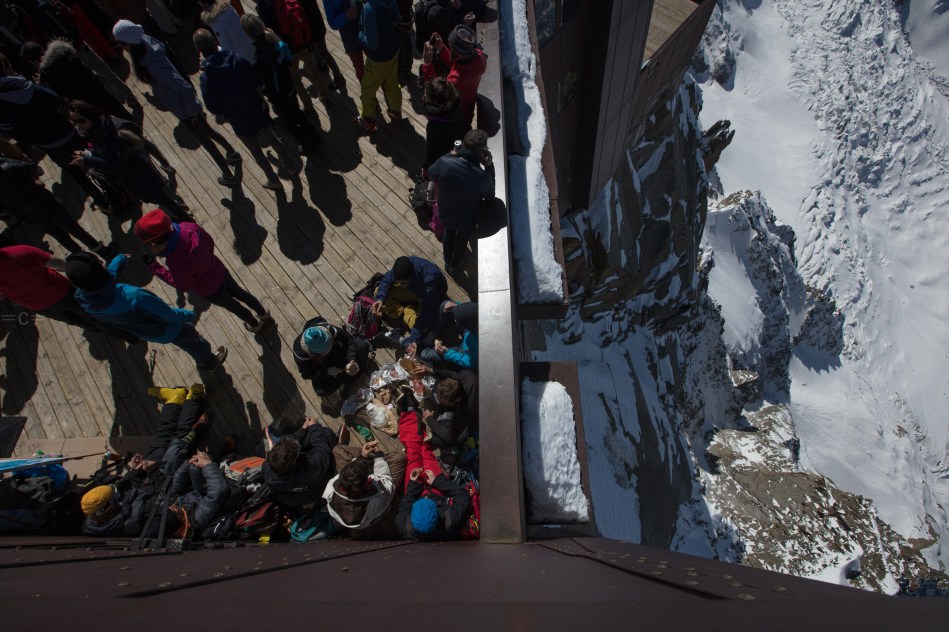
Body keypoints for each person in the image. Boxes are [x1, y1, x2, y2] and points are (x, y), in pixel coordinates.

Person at [111, 19, 241, 188]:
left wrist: (191, 113)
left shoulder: (153, 66)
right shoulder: (147, 43)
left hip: (186, 110)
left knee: (208, 145)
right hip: (188, 106)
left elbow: (184, 88)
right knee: (209, 132)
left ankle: (228, 175)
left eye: (121, 43)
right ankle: (232, 153)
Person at [65, 251, 228, 371]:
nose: (103, 264)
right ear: (100, 274)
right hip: (168, 327)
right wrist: (188, 315)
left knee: (185, 341)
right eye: (100, 264)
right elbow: (169, 315)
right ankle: (208, 363)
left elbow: (104, 283)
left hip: (148, 332)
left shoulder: (85, 299)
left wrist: (119, 260)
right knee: (193, 342)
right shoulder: (133, 297)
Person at [81, 384, 208, 537]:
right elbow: (164, 494)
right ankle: (193, 400)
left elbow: (128, 489)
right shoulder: (133, 523)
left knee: (161, 440)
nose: (116, 493)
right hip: (164, 483)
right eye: (113, 495)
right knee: (177, 445)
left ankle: (174, 400)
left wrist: (134, 471)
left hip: (147, 478)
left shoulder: (107, 509)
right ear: (106, 509)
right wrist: (152, 472)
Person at [133, 208, 274, 332]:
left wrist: (155, 266)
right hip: (219, 270)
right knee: (241, 293)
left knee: (235, 307)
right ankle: (263, 314)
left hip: (210, 289)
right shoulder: (188, 227)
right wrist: (206, 259)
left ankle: (255, 325)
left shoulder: (175, 260)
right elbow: (210, 242)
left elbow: (184, 285)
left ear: (154, 240)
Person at [0, 53, 109, 209]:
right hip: (67, 132)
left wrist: (34, 143)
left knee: (77, 174)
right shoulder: (26, 87)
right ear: (6, 68)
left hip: (48, 145)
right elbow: (57, 102)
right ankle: (117, 188)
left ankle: (102, 200)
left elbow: (14, 134)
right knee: (94, 158)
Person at [194, 27, 298, 191]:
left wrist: (224, 113)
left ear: (199, 50)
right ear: (215, 42)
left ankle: (273, 180)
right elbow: (254, 81)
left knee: (256, 151)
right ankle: (290, 165)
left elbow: (213, 106)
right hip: (256, 108)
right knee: (272, 139)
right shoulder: (237, 59)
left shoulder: (207, 78)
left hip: (238, 119)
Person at [67, 100, 192, 221]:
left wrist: (88, 161)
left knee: (159, 198)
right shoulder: (96, 132)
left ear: (92, 116)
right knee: (157, 198)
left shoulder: (112, 135)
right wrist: (89, 154)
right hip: (131, 179)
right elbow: (100, 151)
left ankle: (184, 216)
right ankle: (177, 208)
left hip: (140, 176)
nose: (78, 126)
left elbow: (116, 165)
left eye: (81, 121)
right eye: (74, 121)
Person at [0, 245, 135, 341]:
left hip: (37, 306)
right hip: (61, 292)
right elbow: (62, 265)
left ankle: (98, 329)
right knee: (93, 314)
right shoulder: (20, 252)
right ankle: (124, 334)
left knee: (74, 320)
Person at [0, 155, 117, 257]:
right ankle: (102, 251)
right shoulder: (10, 167)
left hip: (28, 216)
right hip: (45, 203)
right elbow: (38, 170)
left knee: (60, 237)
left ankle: (84, 258)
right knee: (74, 229)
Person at [393, 388, 470, 540]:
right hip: (437, 490)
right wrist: (437, 481)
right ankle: (414, 416)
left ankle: (410, 411)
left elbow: (405, 506)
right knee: (426, 455)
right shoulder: (449, 521)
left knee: (413, 455)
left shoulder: (404, 525)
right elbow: (462, 495)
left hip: (415, 493)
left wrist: (414, 485)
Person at [241, 14, 321, 155]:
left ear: (248, 33)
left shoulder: (260, 54)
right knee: (297, 112)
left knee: (290, 124)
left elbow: (269, 83)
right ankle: (314, 136)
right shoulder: (273, 38)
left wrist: (261, 91)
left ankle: (307, 145)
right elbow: (288, 59)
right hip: (289, 85)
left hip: (280, 96)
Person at [426, 128, 494, 274]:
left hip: (445, 212)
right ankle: (454, 265)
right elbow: (489, 195)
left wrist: (450, 154)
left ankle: (447, 261)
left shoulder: (444, 162)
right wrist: (489, 167)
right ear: (481, 152)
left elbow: (430, 174)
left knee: (449, 233)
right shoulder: (481, 176)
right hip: (466, 218)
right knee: (462, 239)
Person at [322, 439, 406, 538]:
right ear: (367, 482)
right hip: (375, 509)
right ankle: (374, 459)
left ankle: (368, 457)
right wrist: (379, 457)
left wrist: (362, 457)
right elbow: (385, 479)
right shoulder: (377, 498)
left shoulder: (331, 488)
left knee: (338, 450)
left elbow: (349, 477)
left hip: (357, 501)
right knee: (399, 457)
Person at [371, 255, 447, 355]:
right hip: (412, 290)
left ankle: (407, 311)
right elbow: (387, 279)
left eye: (402, 283)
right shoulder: (402, 267)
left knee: (423, 328)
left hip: (427, 297)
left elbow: (427, 311)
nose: (400, 285)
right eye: (398, 282)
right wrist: (380, 299)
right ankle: (405, 311)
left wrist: (414, 338)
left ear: (411, 276)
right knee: (377, 292)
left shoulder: (430, 280)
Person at [263, 416, 337, 508]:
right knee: (326, 433)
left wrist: (303, 429)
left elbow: (288, 446)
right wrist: (314, 427)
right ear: (294, 461)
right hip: (314, 489)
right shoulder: (310, 470)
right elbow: (322, 450)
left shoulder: (267, 467)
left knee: (296, 437)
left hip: (291, 497)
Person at [421, 24, 485, 127]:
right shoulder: (479, 57)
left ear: (456, 51)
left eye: (450, 43)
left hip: (456, 116)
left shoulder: (456, 80)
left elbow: (436, 91)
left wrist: (428, 64)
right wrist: (441, 49)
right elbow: (457, 64)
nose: (448, 43)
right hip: (468, 108)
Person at [292, 316, 372, 396]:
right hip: (322, 367)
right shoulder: (300, 355)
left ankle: (347, 380)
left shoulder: (328, 330)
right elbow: (306, 374)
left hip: (337, 353)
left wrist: (351, 359)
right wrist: (327, 372)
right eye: (324, 353)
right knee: (321, 391)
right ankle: (343, 379)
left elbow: (349, 340)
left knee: (363, 346)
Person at [169, 449, 244, 534]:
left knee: (193, 467)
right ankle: (223, 454)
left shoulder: (169, 509)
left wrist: (188, 462)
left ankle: (216, 454)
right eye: (174, 511)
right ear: (179, 519)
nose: (173, 506)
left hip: (201, 493)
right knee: (200, 466)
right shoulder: (198, 518)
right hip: (220, 494)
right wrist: (207, 464)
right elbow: (217, 492)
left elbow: (176, 484)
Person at [354, 0, 402, 132]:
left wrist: (360, 35)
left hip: (378, 59)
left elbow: (372, 43)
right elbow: (397, 18)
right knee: (392, 83)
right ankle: (395, 111)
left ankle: (368, 119)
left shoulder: (369, 9)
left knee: (367, 89)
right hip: (393, 50)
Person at [413, 365, 477, 448]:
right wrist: (430, 370)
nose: (440, 402)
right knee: (436, 395)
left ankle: (440, 423)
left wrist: (429, 419)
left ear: (456, 401)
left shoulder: (463, 412)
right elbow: (451, 374)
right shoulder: (467, 375)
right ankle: (440, 420)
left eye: (443, 403)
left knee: (438, 441)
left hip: (473, 421)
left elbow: (449, 438)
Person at [420, 76, 464, 175]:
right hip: (453, 146)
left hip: (441, 159)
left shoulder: (434, 126)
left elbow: (432, 153)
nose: (423, 98)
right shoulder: (456, 107)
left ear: (435, 103)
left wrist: (426, 168)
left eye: (426, 98)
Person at [419, 300, 477, 370]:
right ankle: (429, 338)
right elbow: (473, 308)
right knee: (445, 306)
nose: (455, 321)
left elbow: (470, 363)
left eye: (457, 321)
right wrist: (457, 306)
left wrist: (447, 353)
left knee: (424, 354)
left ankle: (422, 347)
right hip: (469, 333)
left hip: (465, 352)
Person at [323, 0, 363, 80]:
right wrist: (345, 16)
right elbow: (333, 23)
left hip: (365, 26)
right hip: (349, 37)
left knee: (378, 62)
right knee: (360, 68)